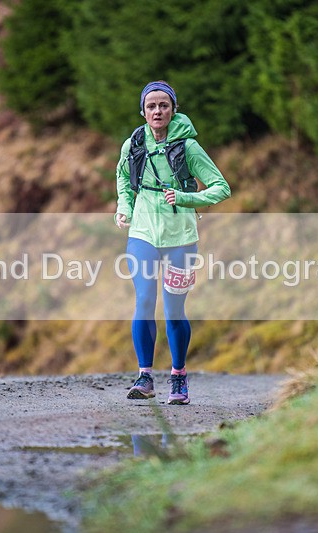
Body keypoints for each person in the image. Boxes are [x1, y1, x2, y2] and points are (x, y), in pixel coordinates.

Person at [115, 80, 231, 405]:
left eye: (163, 105)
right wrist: (124, 208)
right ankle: (145, 376)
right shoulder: (134, 143)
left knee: (174, 309)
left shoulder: (189, 147)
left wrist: (185, 197)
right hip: (142, 232)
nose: (157, 111)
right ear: (143, 111)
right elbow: (123, 179)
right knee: (144, 301)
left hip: (180, 235)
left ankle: (178, 377)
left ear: (173, 109)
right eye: (151, 106)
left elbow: (221, 187)